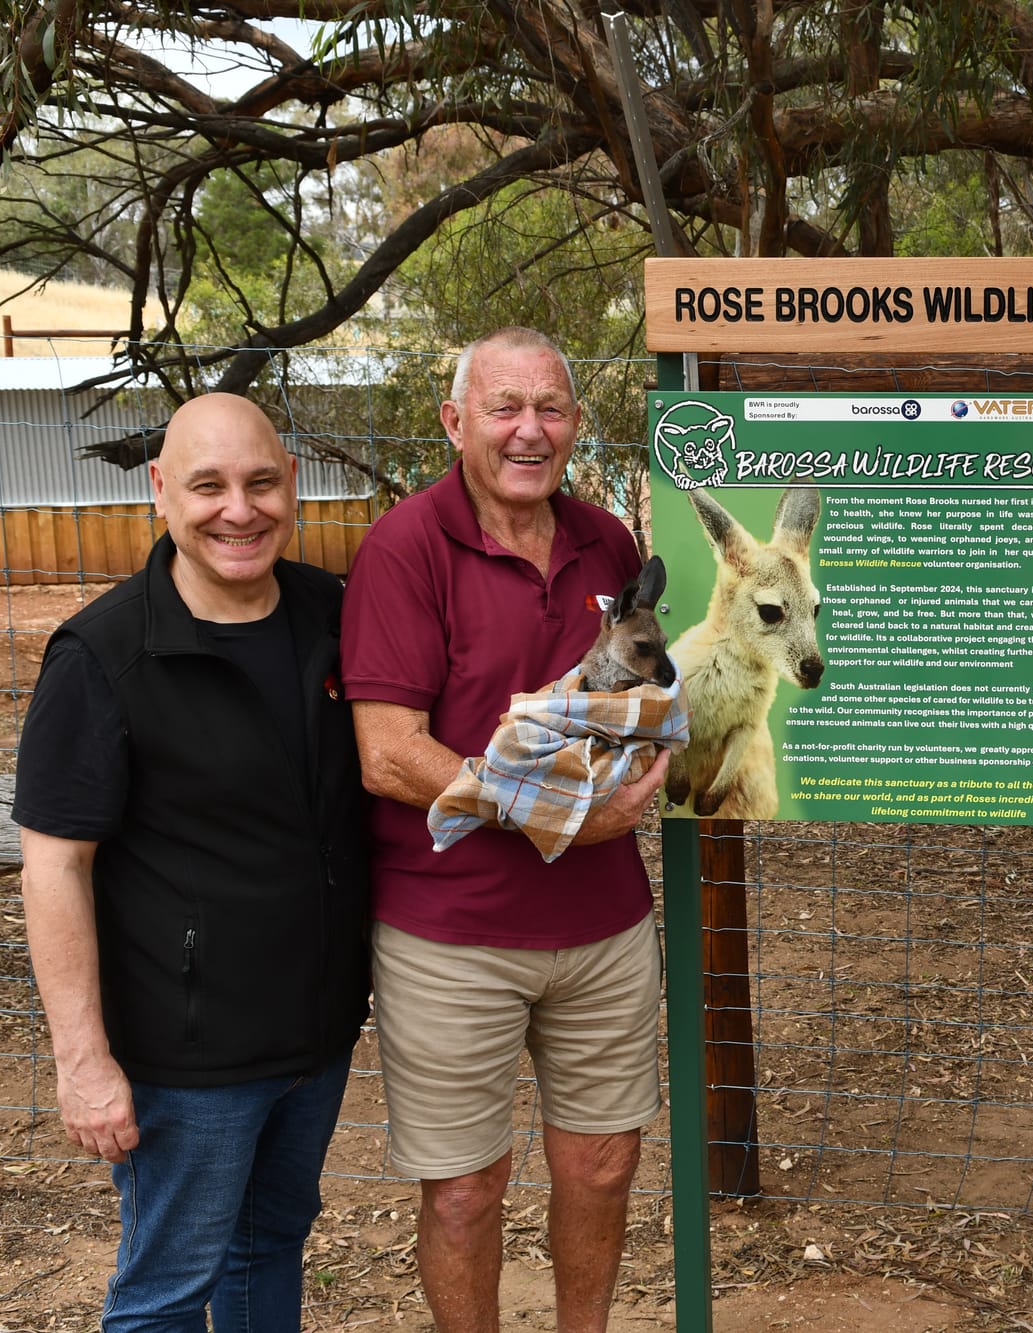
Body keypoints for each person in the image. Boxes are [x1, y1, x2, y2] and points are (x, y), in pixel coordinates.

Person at [15, 393, 371, 1331]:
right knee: (168, 1286)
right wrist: (82, 1060)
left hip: (315, 1036)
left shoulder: (330, 615)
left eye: (260, 482)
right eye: (207, 485)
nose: (238, 509)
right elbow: (53, 865)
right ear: (159, 493)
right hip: (189, 1057)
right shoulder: (104, 655)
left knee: (269, 1247)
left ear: (294, 484)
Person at [340, 327, 672, 1333]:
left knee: (604, 1165)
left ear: (573, 425)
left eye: (550, 409)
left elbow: (633, 692)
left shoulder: (606, 543)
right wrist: (562, 809)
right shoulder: (404, 547)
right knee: (463, 1186)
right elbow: (388, 753)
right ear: (454, 421)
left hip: (602, 923)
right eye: (504, 407)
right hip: (452, 929)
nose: (529, 430)